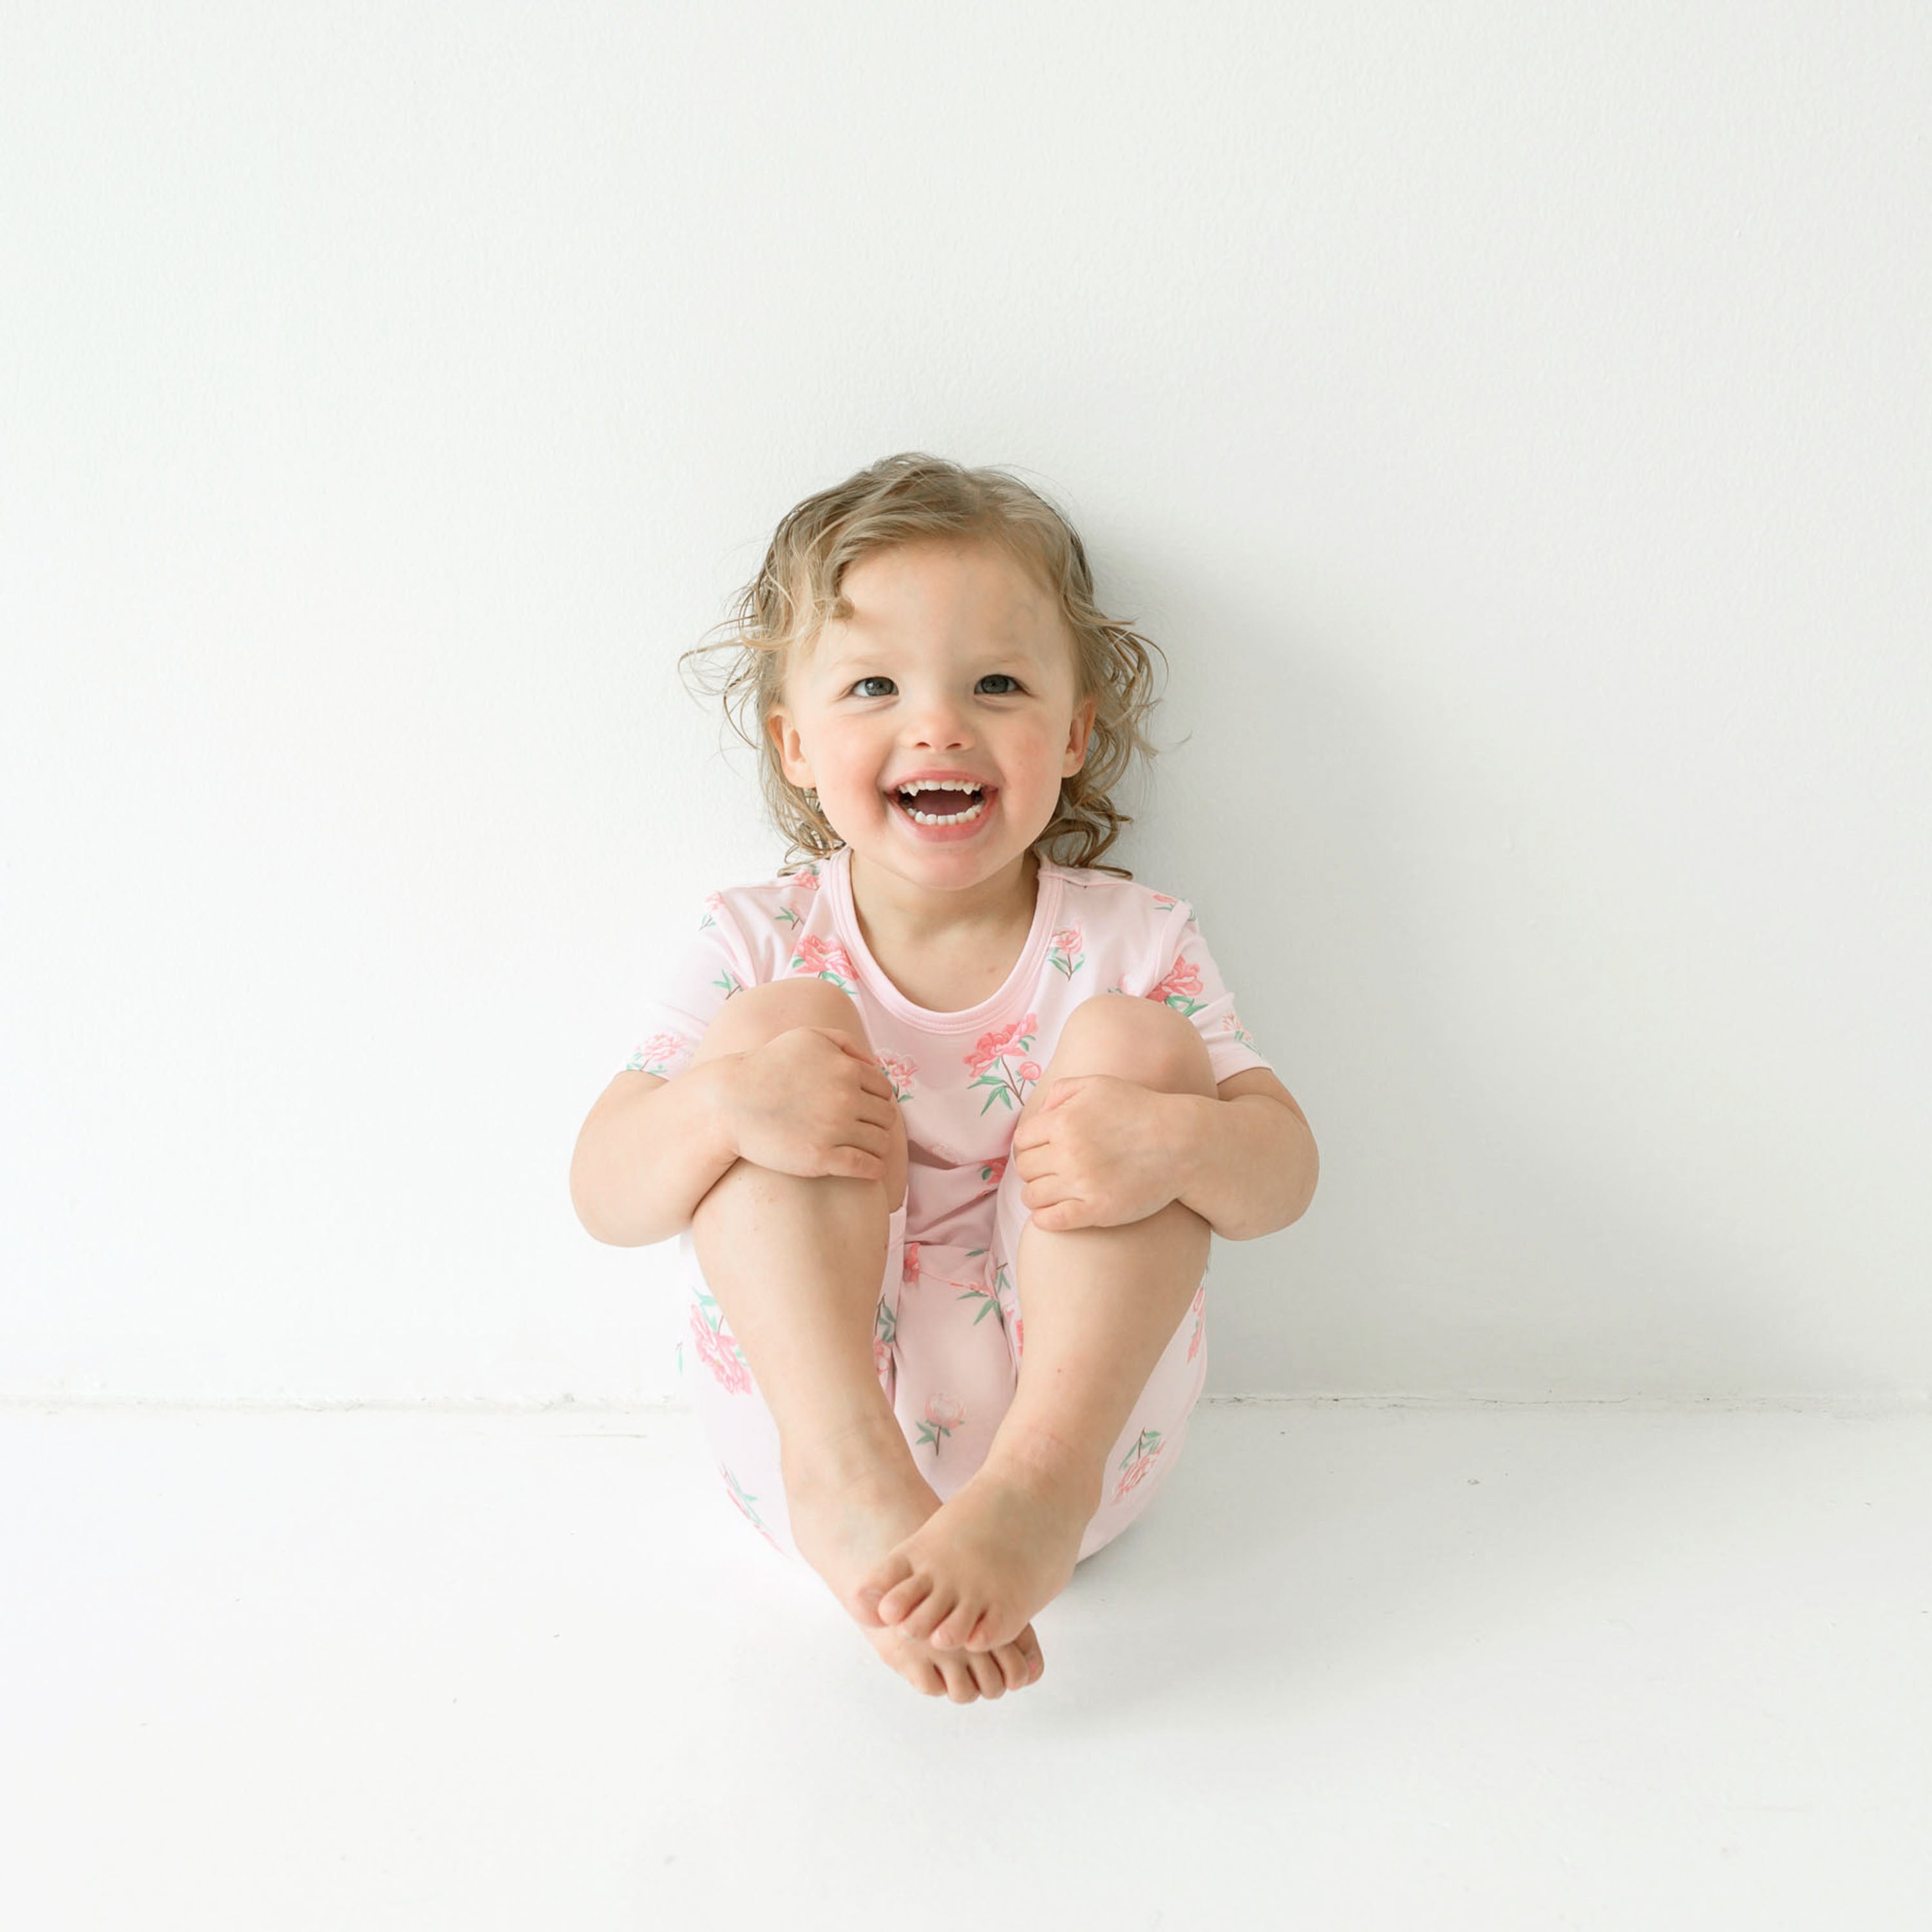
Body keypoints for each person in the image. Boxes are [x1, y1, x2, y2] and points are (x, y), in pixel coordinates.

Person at [570, 453, 1319, 1704]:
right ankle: (852, 1480)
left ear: (1075, 733)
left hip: (1081, 1444)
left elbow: (1284, 1177)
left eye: (999, 685)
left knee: (1144, 1053)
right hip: (808, 1442)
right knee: (776, 1032)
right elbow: (606, 1192)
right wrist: (723, 1105)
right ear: (794, 742)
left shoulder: (1137, 943)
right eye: (875, 684)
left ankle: (1032, 1486)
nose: (939, 725)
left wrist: (1178, 1145)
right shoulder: (759, 938)